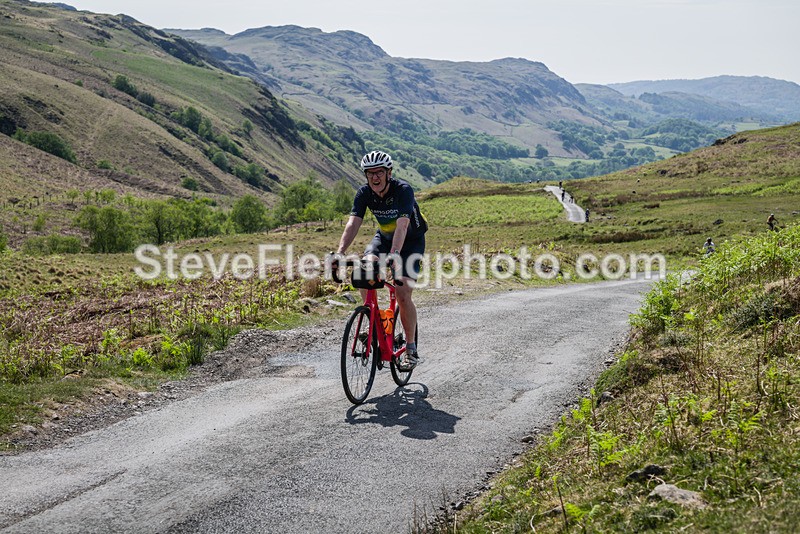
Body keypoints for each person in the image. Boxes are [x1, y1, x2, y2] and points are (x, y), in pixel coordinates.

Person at [334, 150, 428, 371]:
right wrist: (339, 252)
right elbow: (353, 223)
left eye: (379, 172)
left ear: (389, 173)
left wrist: (395, 254)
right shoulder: (365, 193)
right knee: (364, 270)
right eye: (370, 173)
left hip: (411, 241)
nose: (375, 177)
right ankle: (374, 318)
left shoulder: (403, 190)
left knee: (403, 292)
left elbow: (403, 225)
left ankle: (411, 348)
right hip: (384, 238)